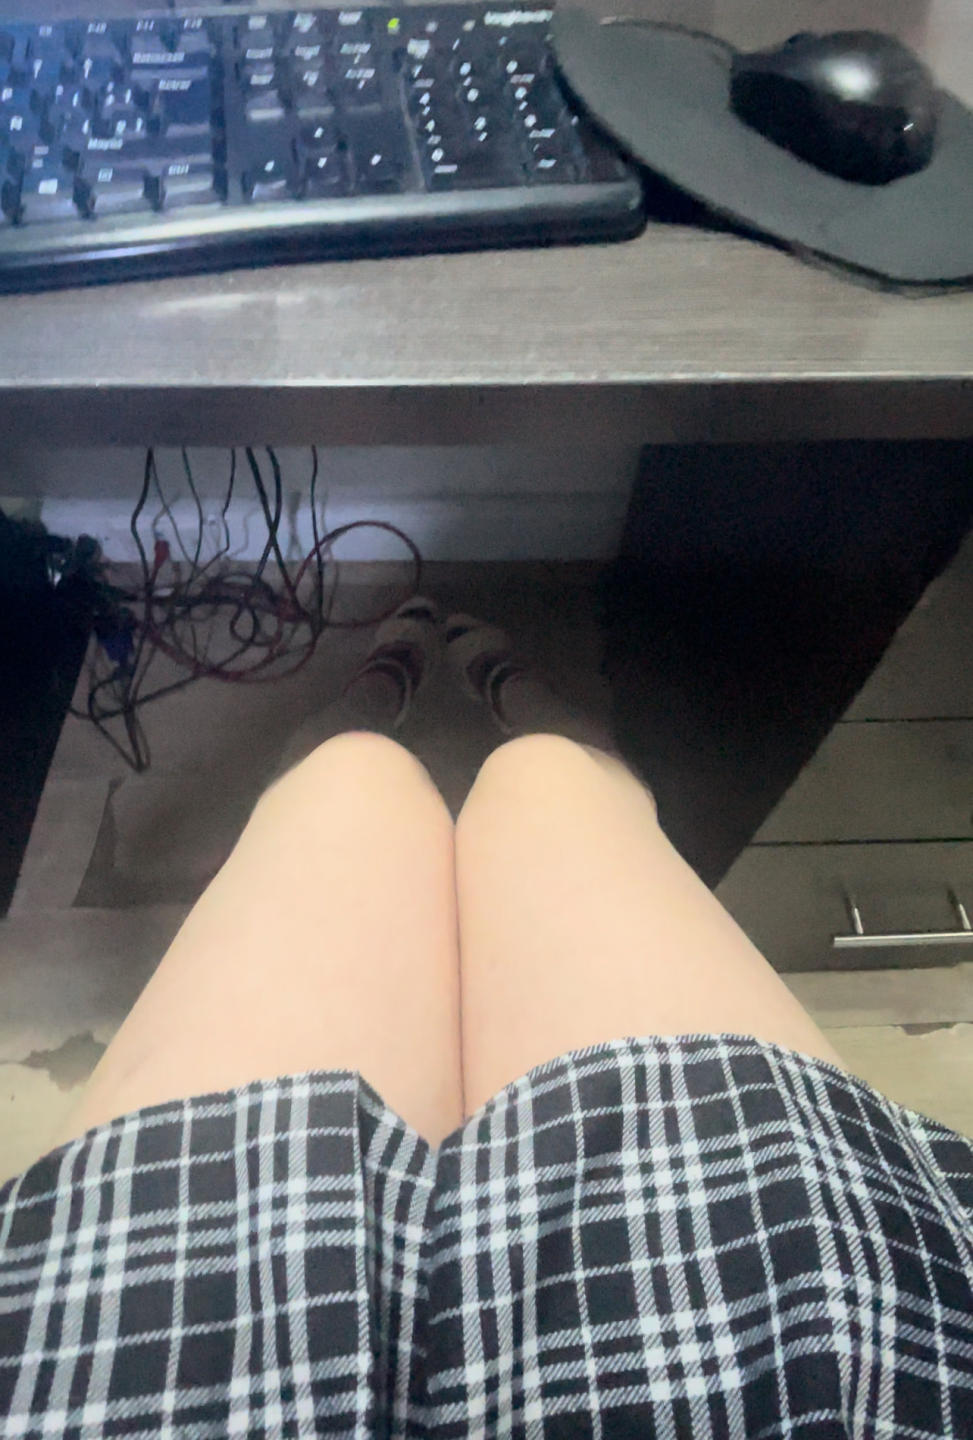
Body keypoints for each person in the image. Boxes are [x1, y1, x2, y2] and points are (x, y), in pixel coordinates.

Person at [2, 600, 971, 1439]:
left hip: (146, 1347)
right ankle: (498, 683)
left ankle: (392, 678)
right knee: (547, 775)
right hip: (789, 1335)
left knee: (349, 775)